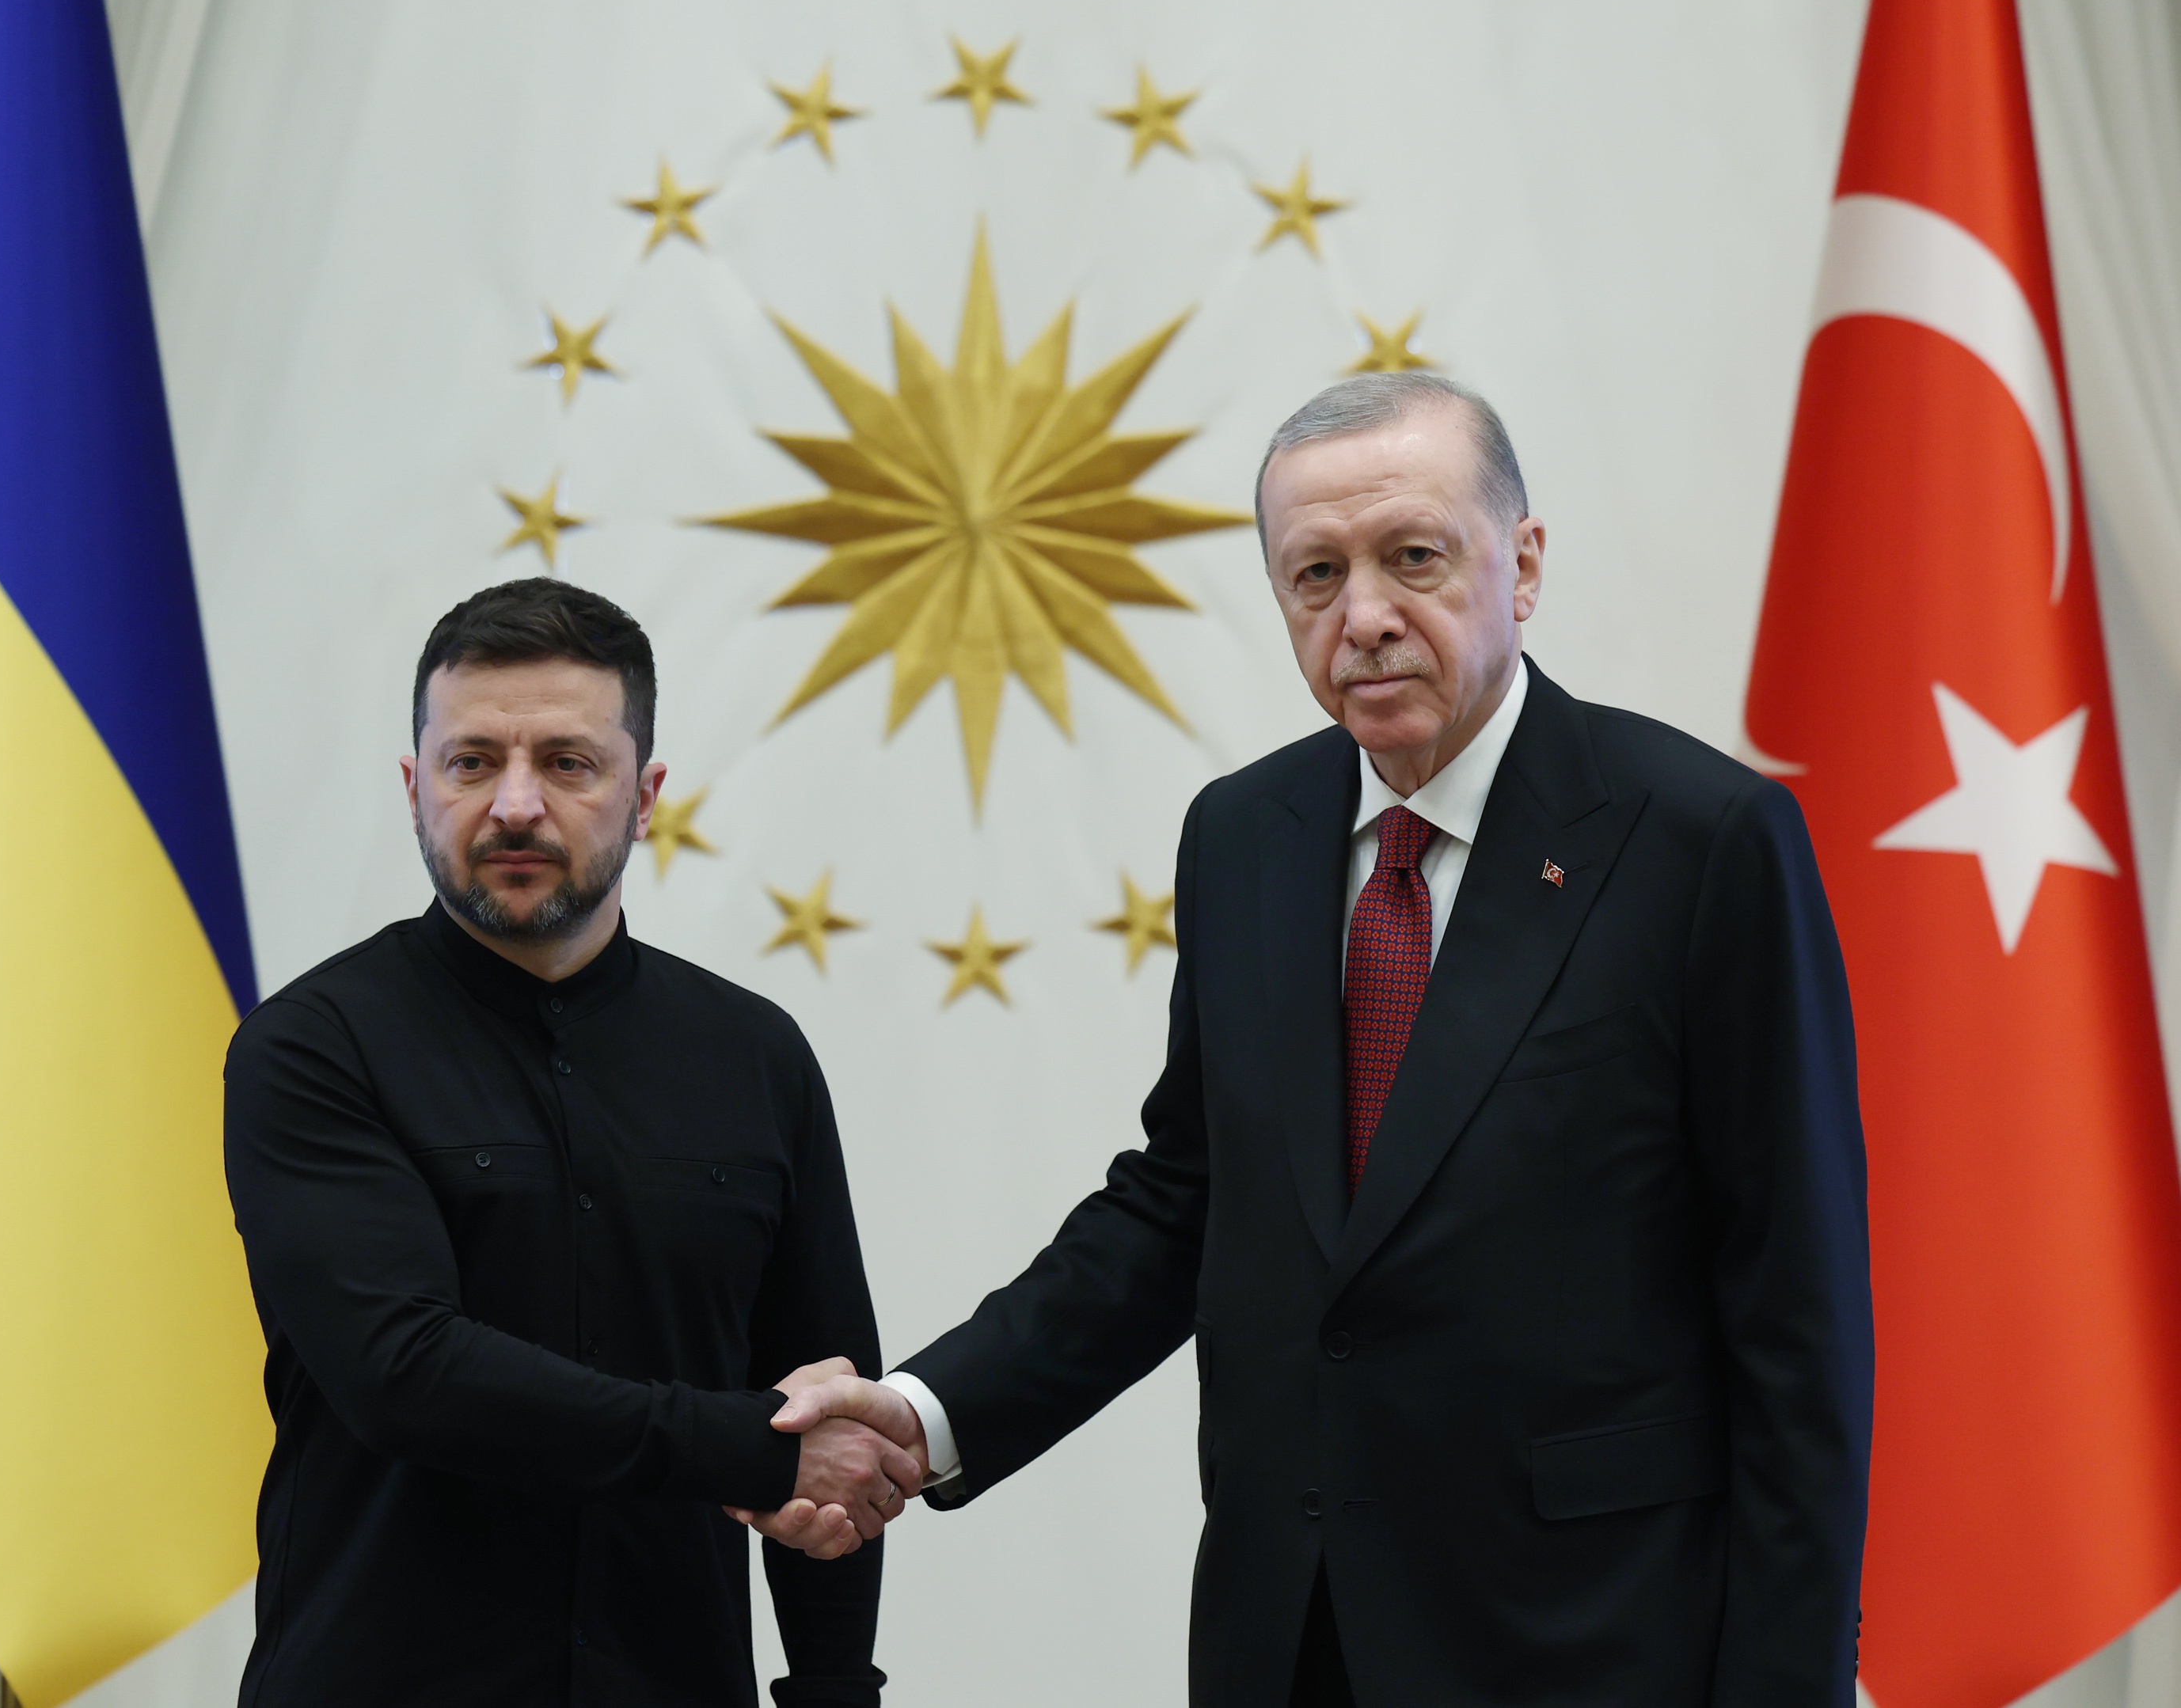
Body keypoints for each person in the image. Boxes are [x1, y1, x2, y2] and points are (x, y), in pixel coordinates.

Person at [753, 374, 1874, 1705]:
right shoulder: (1244, 837)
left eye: (1414, 558)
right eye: (1315, 575)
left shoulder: (1702, 840)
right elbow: (1185, 1203)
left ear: (1520, 563)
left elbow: (1798, 1322)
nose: (1366, 618)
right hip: (1290, 1641)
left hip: (1596, 1640)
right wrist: (926, 1412)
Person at [222, 579, 920, 1707]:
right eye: (470, 761)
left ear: (644, 795)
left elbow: (822, 1404)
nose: (513, 804)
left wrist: (834, 1684)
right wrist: (746, 1444)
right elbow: (410, 1375)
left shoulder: (756, 1055)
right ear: (413, 788)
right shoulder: (312, 1049)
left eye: (565, 761)